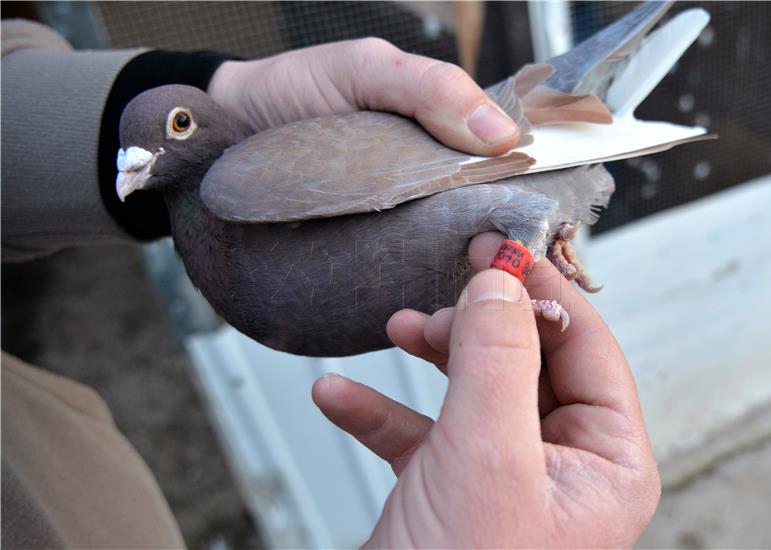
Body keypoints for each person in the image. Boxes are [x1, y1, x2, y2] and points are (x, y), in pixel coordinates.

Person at [2, 19, 660, 548]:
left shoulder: (243, 181)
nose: (141, 159)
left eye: (178, 126)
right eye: (135, 151)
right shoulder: (226, 227)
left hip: (514, 173)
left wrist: (518, 269)